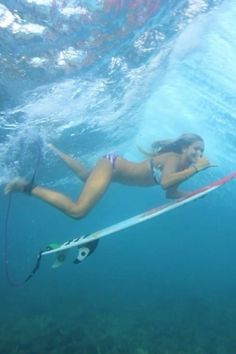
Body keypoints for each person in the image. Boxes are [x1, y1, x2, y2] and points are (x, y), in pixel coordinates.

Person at [4, 133, 212, 219]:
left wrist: (193, 193)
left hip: (112, 167)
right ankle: (23, 186)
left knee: (87, 177)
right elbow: (166, 182)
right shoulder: (174, 159)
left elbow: (170, 192)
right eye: (196, 149)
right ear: (184, 148)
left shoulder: (183, 167)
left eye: (202, 152)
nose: (199, 155)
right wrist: (197, 169)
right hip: (111, 167)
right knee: (78, 212)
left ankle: (53, 149)